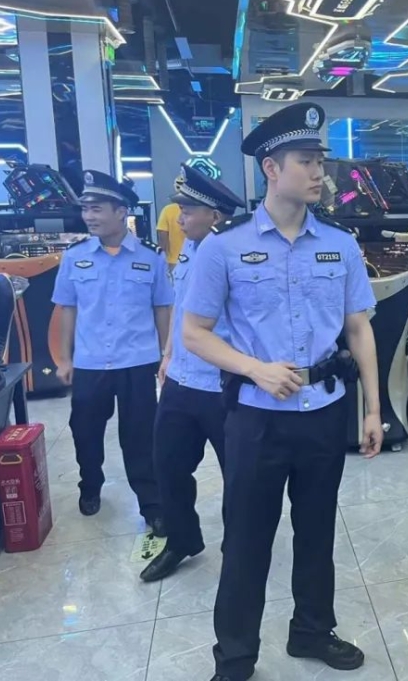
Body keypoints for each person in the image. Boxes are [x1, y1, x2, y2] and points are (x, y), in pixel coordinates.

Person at [182, 102, 384, 680]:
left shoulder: (339, 243)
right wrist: (255, 368)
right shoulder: (224, 247)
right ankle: (235, 658)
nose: (319, 172)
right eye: (305, 160)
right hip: (256, 418)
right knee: (247, 541)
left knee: (317, 532)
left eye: (320, 160)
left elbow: (358, 328)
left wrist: (375, 409)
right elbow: (194, 333)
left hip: (324, 412)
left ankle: (312, 632)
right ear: (272, 168)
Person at [139, 164, 245, 583]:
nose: (178, 218)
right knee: (167, 464)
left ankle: (239, 546)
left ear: (214, 216)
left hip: (222, 384)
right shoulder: (188, 249)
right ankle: (182, 539)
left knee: (238, 473)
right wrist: (167, 355)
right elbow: (182, 308)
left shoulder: (236, 255)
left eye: (187, 210)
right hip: (181, 380)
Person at [51, 170, 173, 532]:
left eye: (97, 209)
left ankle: (151, 503)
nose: (89, 216)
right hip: (90, 362)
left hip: (137, 361)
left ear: (121, 211)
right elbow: (67, 309)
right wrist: (64, 358)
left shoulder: (150, 258)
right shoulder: (74, 257)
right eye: (85, 209)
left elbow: (162, 309)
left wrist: (167, 355)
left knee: (140, 436)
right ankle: (90, 485)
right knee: (85, 430)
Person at [156, 199, 185, 272]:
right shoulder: (198, 210)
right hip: (193, 261)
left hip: (172, 263)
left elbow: (163, 243)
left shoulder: (168, 210)